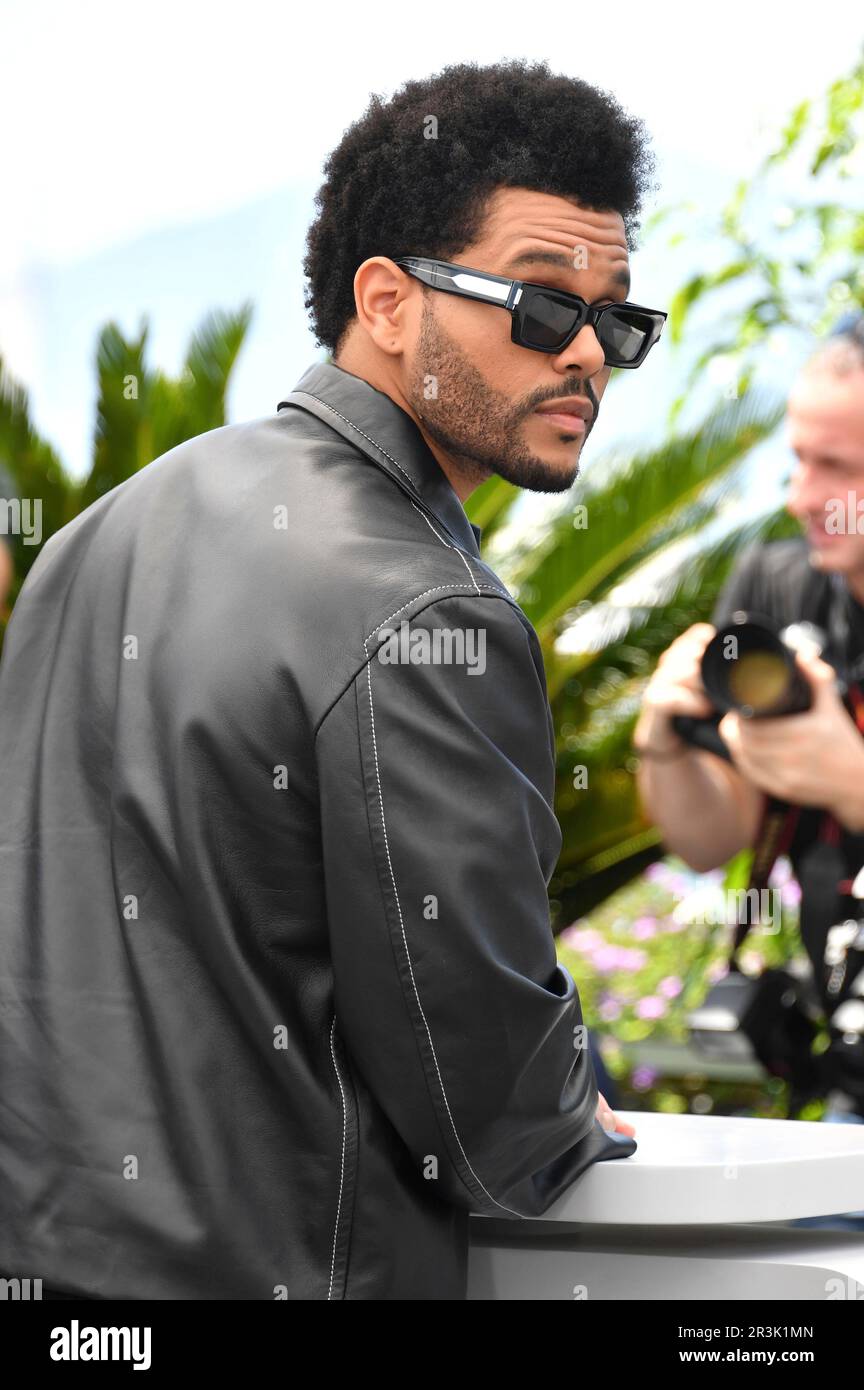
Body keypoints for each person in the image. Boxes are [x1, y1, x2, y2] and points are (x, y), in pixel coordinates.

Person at [0, 59, 664, 1301]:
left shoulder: (105, 530)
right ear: (388, 300)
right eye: (538, 303)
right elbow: (486, 1100)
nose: (587, 354)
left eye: (620, 320)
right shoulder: (424, 608)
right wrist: (569, 1097)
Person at [635, 315, 864, 1138]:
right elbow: (709, 841)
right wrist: (662, 739)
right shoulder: (777, 591)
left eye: (836, 469)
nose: (800, 497)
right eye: (799, 459)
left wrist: (851, 782)